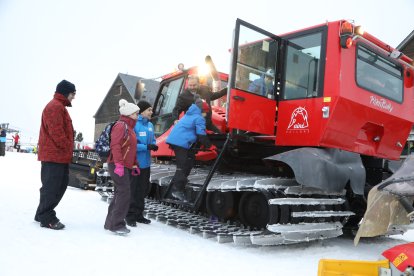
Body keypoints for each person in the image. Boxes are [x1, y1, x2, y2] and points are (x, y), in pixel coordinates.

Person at [34, 80, 77, 230]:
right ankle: (46, 218)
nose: (74, 97)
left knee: (58, 185)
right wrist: (67, 146)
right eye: (73, 93)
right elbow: (56, 133)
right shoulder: (55, 107)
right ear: (66, 92)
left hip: (58, 156)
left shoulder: (60, 107)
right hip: (54, 156)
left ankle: (41, 212)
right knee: (53, 187)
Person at [166, 97, 216, 201]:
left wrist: (205, 132)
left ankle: (181, 181)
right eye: (205, 112)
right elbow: (201, 135)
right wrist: (210, 146)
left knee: (190, 159)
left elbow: (192, 128)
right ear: (203, 111)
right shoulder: (199, 117)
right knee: (183, 164)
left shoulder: (190, 114)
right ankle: (177, 190)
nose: (206, 114)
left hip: (177, 140)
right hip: (180, 142)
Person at [104, 99, 140, 235]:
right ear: (129, 114)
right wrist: (119, 164)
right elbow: (115, 145)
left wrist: (135, 164)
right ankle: (117, 224)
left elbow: (131, 149)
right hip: (117, 165)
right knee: (124, 193)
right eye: (136, 114)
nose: (138, 116)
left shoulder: (130, 128)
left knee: (120, 193)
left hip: (126, 165)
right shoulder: (121, 126)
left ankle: (110, 223)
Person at [126, 100, 158, 227]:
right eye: (149, 110)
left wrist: (154, 144)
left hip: (146, 163)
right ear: (142, 111)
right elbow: (131, 144)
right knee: (133, 190)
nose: (152, 112)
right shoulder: (134, 124)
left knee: (143, 190)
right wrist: (146, 147)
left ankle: (139, 215)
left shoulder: (150, 125)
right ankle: (130, 216)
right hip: (135, 163)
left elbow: (153, 138)